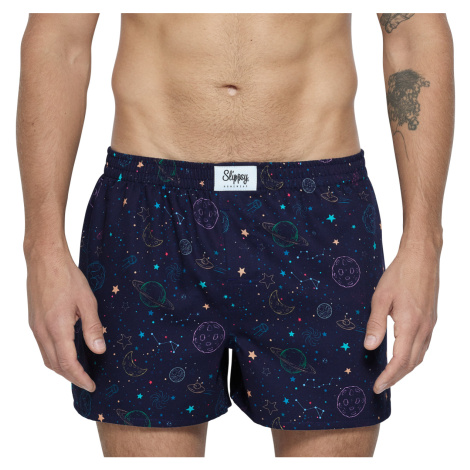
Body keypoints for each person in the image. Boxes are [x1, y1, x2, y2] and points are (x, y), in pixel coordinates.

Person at [16, 13, 454, 457]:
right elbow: (60, 37)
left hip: (318, 215)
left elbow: (412, 32)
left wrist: (424, 243)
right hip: (151, 216)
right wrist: (42, 249)